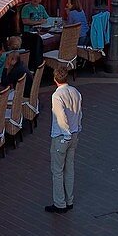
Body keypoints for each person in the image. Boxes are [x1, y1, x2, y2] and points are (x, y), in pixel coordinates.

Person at [46, 68, 82, 214]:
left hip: (61, 137)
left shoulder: (57, 96)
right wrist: (77, 130)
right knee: (69, 169)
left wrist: (66, 135)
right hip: (74, 135)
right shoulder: (75, 92)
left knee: (57, 171)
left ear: (55, 80)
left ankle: (59, 203)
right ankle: (69, 200)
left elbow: (61, 118)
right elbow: (79, 113)